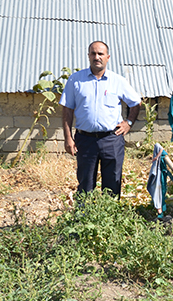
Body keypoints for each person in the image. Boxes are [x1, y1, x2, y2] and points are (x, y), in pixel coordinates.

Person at [61, 41, 141, 197]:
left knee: (112, 183)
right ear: (88, 56)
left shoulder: (117, 81)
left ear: (108, 57)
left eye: (100, 54)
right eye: (93, 53)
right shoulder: (76, 80)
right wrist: (68, 138)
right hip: (85, 140)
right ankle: (84, 219)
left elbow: (136, 102)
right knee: (85, 184)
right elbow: (67, 109)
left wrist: (129, 123)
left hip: (112, 140)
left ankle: (110, 218)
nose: (96, 57)